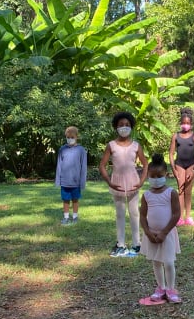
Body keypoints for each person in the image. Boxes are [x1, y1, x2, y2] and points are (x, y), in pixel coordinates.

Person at [99, 112, 149, 257]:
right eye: (121, 125)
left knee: (134, 213)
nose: (124, 127)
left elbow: (145, 164)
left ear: (132, 127)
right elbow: (102, 165)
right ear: (115, 127)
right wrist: (109, 181)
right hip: (117, 184)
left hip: (133, 184)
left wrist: (141, 181)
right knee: (120, 214)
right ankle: (120, 244)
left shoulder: (136, 146)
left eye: (127, 125)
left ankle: (137, 244)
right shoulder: (111, 145)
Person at [140, 153, 182, 303]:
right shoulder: (146, 195)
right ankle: (160, 287)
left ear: (166, 174)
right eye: (152, 176)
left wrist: (164, 232)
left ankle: (171, 289)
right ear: (148, 176)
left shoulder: (171, 193)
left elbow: (177, 214)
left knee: (169, 262)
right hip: (152, 235)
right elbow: (142, 216)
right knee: (156, 261)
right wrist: (148, 232)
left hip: (167, 234)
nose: (156, 179)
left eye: (159, 176)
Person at [169, 107, 194, 226]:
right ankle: (179, 218)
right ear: (180, 123)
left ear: (191, 124)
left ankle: (188, 217)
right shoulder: (175, 136)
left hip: (191, 165)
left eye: (187, 123)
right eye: (183, 123)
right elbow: (171, 154)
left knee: (188, 192)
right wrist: (174, 170)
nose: (185, 125)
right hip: (179, 165)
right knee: (180, 191)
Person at [55, 126, 88, 225]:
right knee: (65, 200)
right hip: (65, 181)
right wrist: (58, 181)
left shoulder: (81, 150)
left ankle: (75, 217)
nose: (70, 139)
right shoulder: (62, 149)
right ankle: (66, 217)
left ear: (76, 137)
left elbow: (84, 167)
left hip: (76, 182)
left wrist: (82, 182)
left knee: (75, 200)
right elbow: (59, 165)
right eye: (68, 137)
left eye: (72, 137)